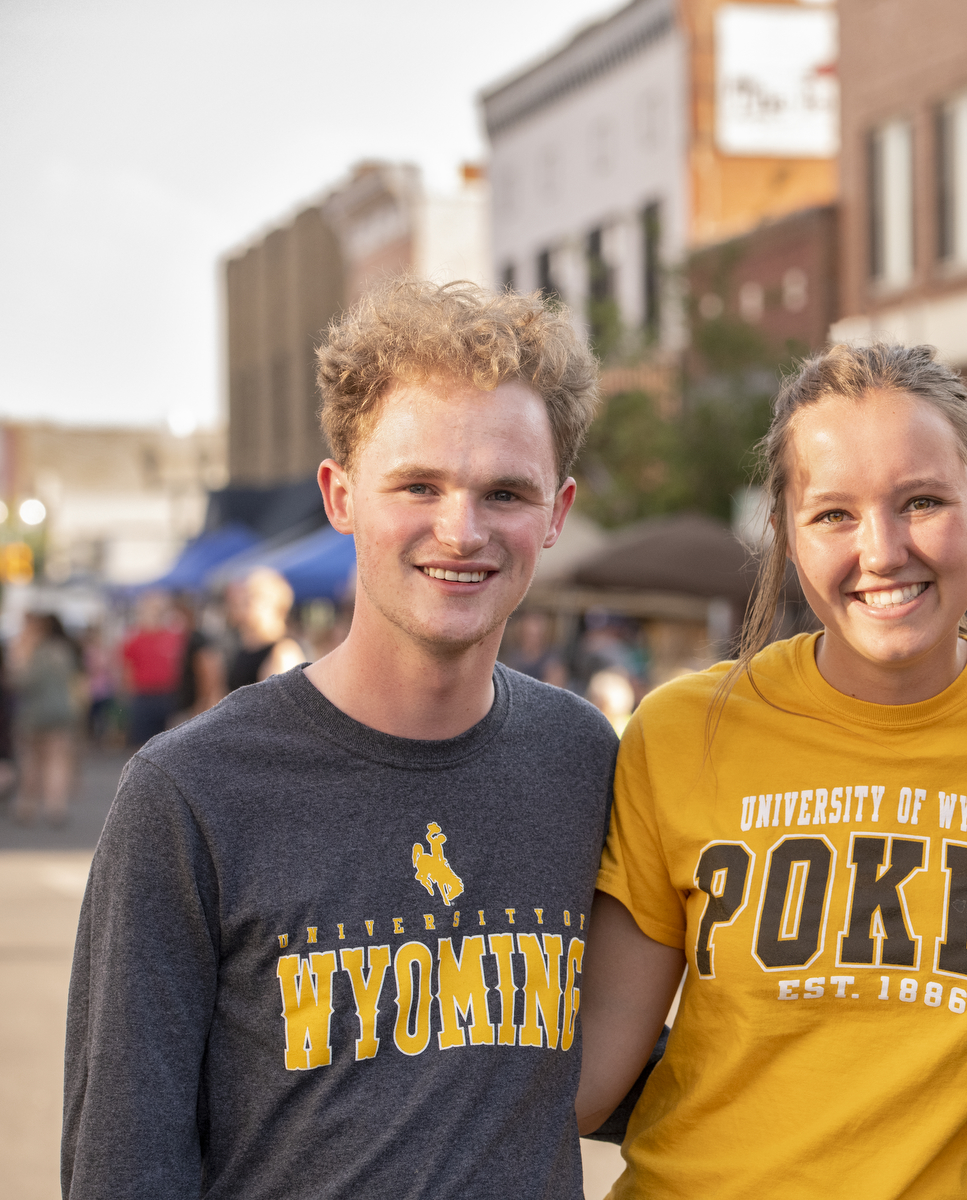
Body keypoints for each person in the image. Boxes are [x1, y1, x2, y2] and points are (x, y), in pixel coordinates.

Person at [64, 279, 617, 1198]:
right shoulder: (192, 794)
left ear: (555, 512)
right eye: (418, 485)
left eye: (505, 492)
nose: (462, 529)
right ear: (341, 494)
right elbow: (123, 1164)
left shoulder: (583, 760)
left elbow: (639, 1061)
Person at [575, 343, 967, 1197]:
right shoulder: (682, 732)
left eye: (921, 501)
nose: (882, 551)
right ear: (782, 531)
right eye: (833, 515)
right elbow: (589, 1075)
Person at [9, 612, 81, 826]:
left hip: (34, 714)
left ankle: (27, 805)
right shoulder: (63, 651)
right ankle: (56, 806)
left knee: (31, 762)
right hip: (62, 713)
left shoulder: (33, 653)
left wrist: (19, 656)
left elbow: (21, 682)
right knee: (57, 761)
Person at [118, 590, 187, 744]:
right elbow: (126, 670)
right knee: (143, 744)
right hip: (143, 696)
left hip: (168, 695)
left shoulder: (175, 637)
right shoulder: (133, 640)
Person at [223, 566, 306, 693]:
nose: (241, 604)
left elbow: (283, 706)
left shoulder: (282, 652)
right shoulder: (243, 649)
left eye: (250, 598)